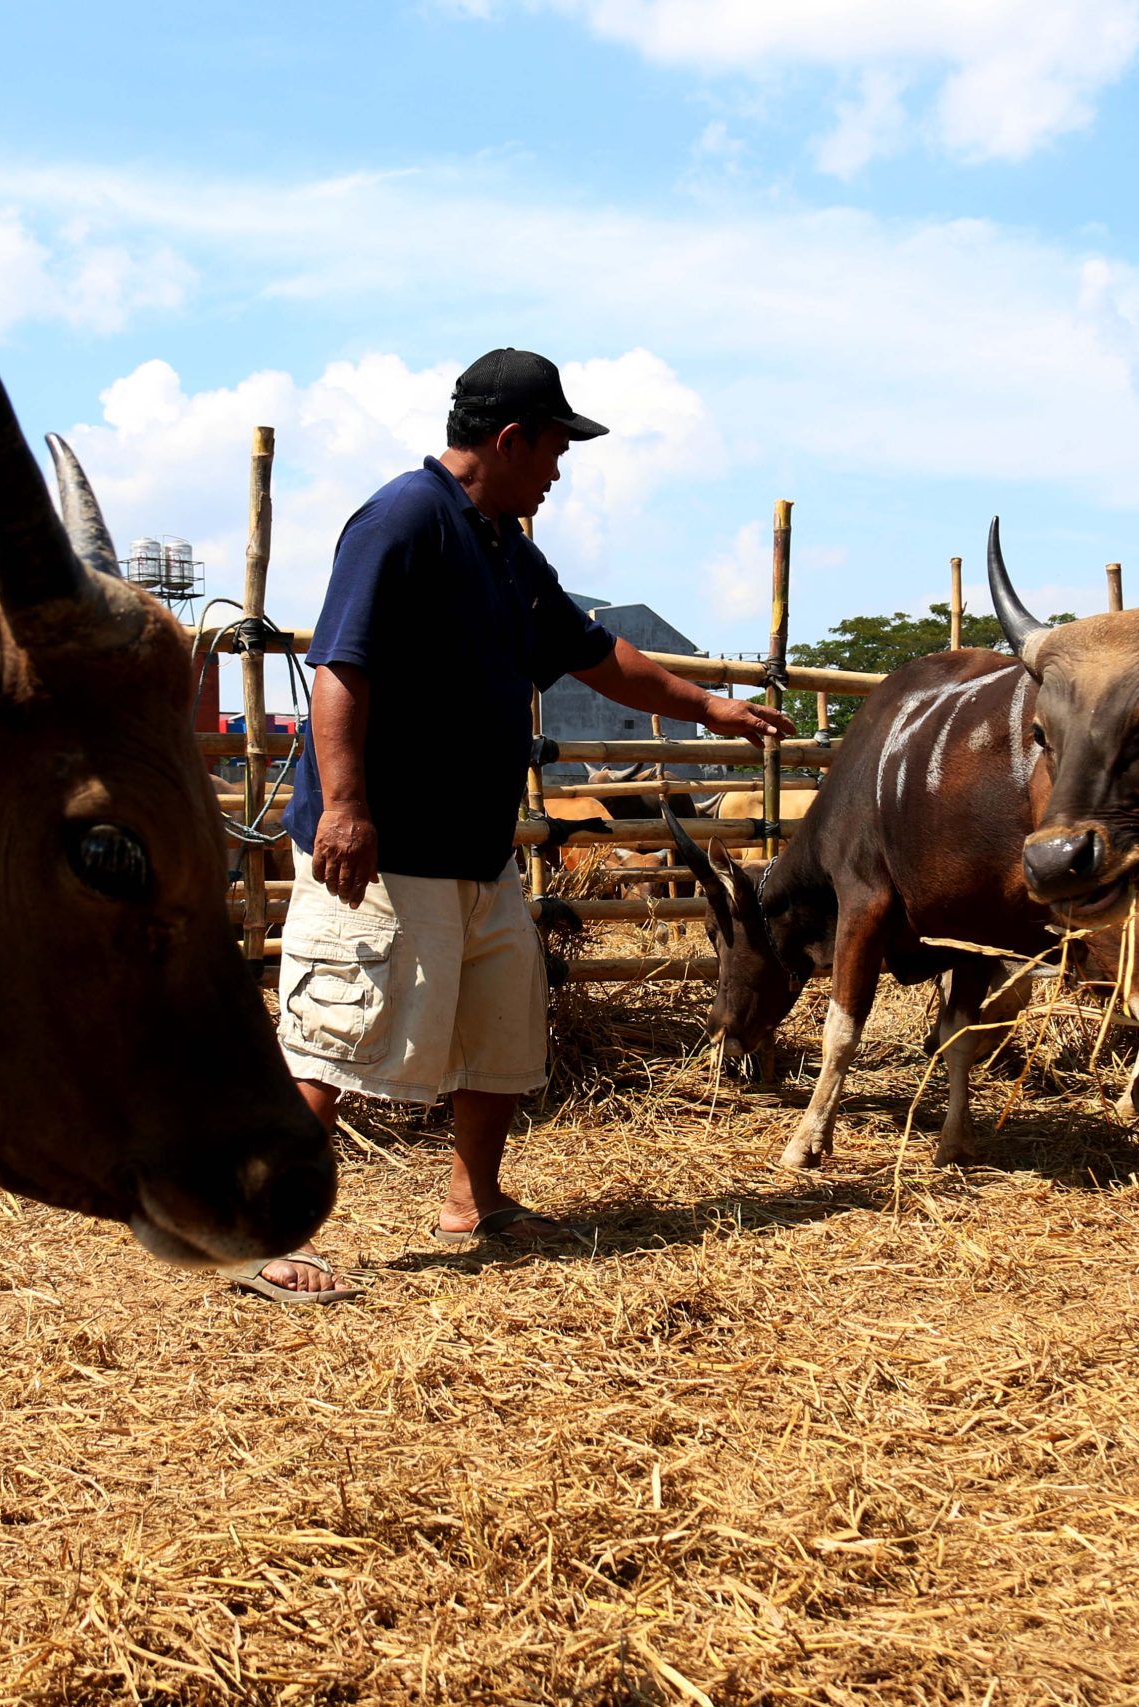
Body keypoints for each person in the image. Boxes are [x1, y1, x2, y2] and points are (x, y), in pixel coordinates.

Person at [233, 348, 794, 1300]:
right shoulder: (403, 520)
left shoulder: (503, 545)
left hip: (473, 846)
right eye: (553, 449)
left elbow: (599, 654)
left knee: (501, 1026)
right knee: (332, 1036)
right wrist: (348, 806)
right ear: (507, 439)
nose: (559, 470)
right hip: (382, 846)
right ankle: (257, 1231)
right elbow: (341, 670)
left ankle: (475, 1197)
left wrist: (711, 708)